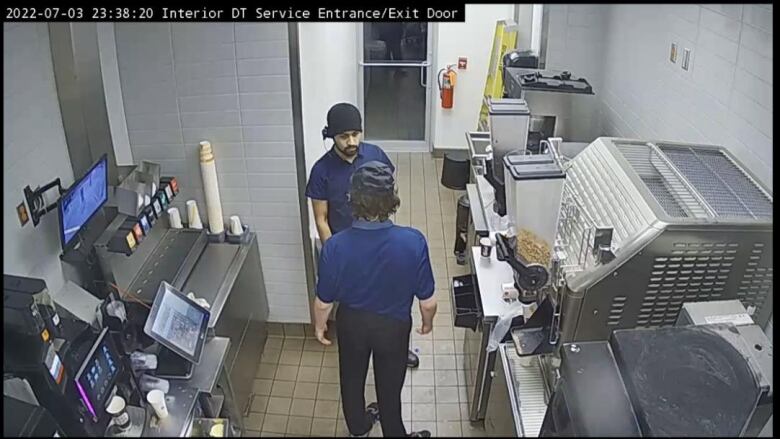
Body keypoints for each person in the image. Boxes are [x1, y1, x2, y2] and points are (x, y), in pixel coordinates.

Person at [312, 161, 437, 438]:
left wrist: (320, 326)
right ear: (391, 199)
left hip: (352, 324)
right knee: (390, 388)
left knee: (352, 380)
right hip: (393, 327)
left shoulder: (335, 246)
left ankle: (358, 427)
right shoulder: (413, 241)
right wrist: (427, 323)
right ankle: (394, 432)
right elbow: (427, 302)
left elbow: (323, 302)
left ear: (352, 200)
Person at [305, 102, 421, 369]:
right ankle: (360, 355)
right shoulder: (322, 171)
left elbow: (389, 191)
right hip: (348, 250)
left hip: (381, 243)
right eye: (344, 136)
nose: (352, 141)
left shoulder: (375, 154)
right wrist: (336, 255)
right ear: (331, 135)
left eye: (356, 134)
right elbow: (321, 220)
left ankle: (397, 351)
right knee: (356, 308)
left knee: (394, 302)